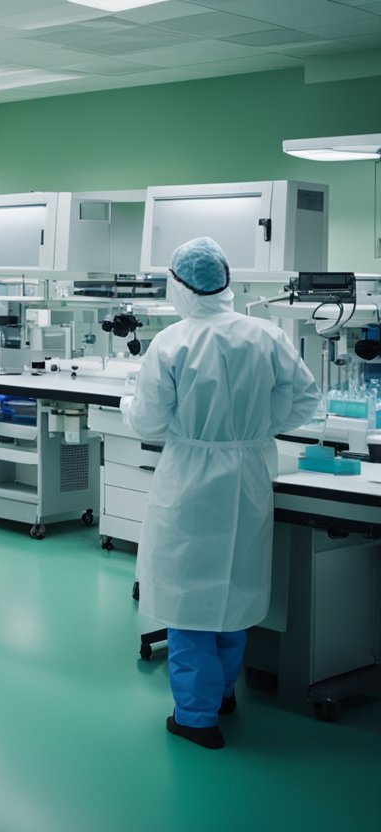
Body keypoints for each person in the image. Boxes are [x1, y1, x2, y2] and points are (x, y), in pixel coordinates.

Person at [121, 236, 319, 749]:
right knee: (235, 588)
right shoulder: (266, 334)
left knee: (189, 599)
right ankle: (223, 692)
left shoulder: (172, 342)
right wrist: (256, 429)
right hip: (249, 471)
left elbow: (147, 419)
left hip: (191, 475)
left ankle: (195, 717)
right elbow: (304, 400)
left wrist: (128, 403)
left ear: (180, 287)